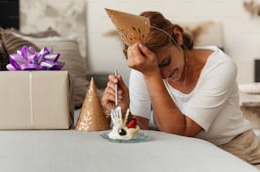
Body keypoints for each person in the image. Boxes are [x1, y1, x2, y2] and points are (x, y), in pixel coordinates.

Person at [102, 10, 260, 167]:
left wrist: (151, 74)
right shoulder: (144, 66)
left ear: (177, 36)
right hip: (186, 153)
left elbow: (180, 132)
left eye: (165, 62)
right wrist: (123, 111)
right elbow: (140, 128)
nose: (164, 75)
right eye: (156, 69)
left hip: (236, 152)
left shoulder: (221, 66)